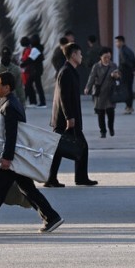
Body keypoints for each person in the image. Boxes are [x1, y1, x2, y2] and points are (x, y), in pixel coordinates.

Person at [0, 71, 63, 235]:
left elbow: (11, 135)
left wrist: (7, 158)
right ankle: (51, 217)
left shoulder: (10, 106)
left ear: (6, 87)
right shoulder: (11, 102)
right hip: (15, 157)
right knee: (28, 190)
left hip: (10, 158)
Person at [47, 43, 97, 187]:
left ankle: (51, 179)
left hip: (66, 118)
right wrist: (69, 117)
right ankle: (80, 178)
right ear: (73, 55)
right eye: (80, 54)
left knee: (58, 148)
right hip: (65, 119)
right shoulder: (66, 72)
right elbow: (64, 97)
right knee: (82, 146)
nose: (81, 57)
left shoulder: (69, 71)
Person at [87, 48, 121, 137]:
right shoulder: (96, 66)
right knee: (100, 113)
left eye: (109, 57)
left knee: (111, 112)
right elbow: (91, 77)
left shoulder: (113, 65)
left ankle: (111, 128)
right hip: (100, 93)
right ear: (100, 57)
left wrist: (116, 76)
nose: (107, 59)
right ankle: (103, 131)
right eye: (105, 57)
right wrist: (87, 88)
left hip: (110, 92)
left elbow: (119, 76)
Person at [19, 35, 45, 107]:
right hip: (37, 70)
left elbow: (30, 59)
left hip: (35, 70)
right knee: (34, 86)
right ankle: (36, 102)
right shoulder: (38, 48)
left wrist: (22, 64)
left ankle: (41, 103)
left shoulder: (35, 49)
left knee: (30, 85)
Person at [115, 35, 135, 115]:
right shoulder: (129, 50)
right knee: (129, 89)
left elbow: (124, 62)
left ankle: (129, 107)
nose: (116, 44)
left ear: (121, 42)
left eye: (117, 42)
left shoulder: (122, 50)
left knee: (126, 90)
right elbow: (134, 61)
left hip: (125, 73)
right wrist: (133, 69)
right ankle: (129, 106)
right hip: (130, 72)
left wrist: (120, 70)